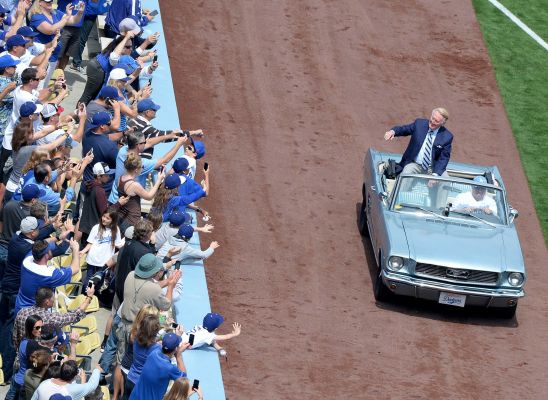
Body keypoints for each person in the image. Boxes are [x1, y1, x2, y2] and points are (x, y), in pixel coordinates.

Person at [13, 286, 93, 357]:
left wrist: (18, 352)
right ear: (47, 302)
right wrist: (89, 297)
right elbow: (76, 314)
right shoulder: (51, 318)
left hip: (21, 356)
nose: (54, 300)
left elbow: (15, 337)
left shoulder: (22, 312)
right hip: (41, 361)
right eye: (53, 298)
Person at [15, 238, 81, 314]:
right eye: (50, 250)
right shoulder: (49, 274)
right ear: (46, 255)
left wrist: (59, 237)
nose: (51, 250)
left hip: (19, 307)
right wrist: (75, 249)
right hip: (34, 315)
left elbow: (41, 245)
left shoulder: (27, 259)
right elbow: (75, 268)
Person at [383, 107, 453, 177]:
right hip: (414, 165)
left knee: (446, 179)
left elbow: (444, 158)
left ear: (442, 123)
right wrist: (392, 132)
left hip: (432, 168)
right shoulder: (419, 124)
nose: (432, 121)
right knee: (406, 174)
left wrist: (435, 175)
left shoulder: (447, 137)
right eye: (432, 118)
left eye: (436, 121)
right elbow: (404, 129)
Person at [128, 333, 189, 400]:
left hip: (134, 397)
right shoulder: (170, 368)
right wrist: (179, 355)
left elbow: (161, 345)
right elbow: (184, 379)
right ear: (175, 349)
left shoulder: (154, 352)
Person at [116, 152, 165, 228]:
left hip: (122, 217)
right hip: (132, 220)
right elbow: (149, 196)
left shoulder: (120, 178)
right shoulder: (134, 185)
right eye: (142, 167)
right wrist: (159, 180)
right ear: (136, 170)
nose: (142, 169)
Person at [79, 207, 124, 288]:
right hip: (93, 259)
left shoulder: (116, 229)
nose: (104, 219)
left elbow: (118, 244)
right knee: (89, 279)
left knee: (99, 280)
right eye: (103, 216)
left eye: (107, 218)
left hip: (105, 261)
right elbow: (90, 243)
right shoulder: (96, 227)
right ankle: (86, 294)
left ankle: (94, 297)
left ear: (113, 220)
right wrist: (83, 251)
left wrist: (126, 246)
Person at [5, 314, 43, 400]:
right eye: (37, 328)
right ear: (30, 328)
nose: (40, 330)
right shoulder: (32, 344)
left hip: (17, 378)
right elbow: (35, 365)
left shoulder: (24, 339)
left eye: (41, 327)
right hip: (24, 383)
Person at [123, 314, 161, 399]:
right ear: (155, 332)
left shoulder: (136, 339)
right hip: (141, 384)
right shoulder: (156, 349)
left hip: (130, 377)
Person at [31, 359, 100, 400]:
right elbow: (93, 385)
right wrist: (97, 370)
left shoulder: (45, 383)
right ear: (75, 376)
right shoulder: (73, 389)